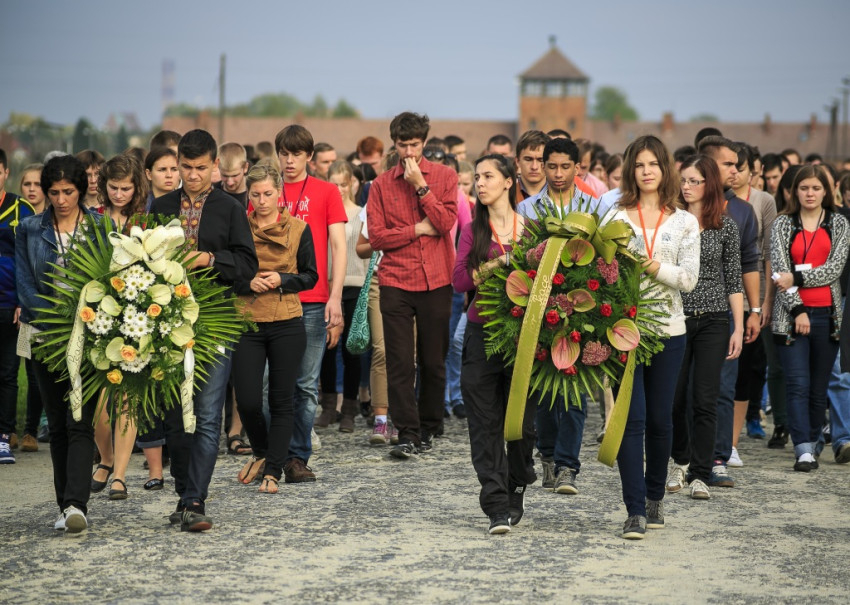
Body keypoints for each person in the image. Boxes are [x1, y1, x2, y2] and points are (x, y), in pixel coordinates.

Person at [151, 129, 258, 531]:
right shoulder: (161, 205)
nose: (192, 175)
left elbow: (247, 264)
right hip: (166, 320)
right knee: (175, 415)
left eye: (200, 168)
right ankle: (184, 493)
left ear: (215, 165)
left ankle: (195, 498)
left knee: (209, 413)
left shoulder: (230, 207)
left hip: (217, 320)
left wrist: (209, 259)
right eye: (186, 167)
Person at [607, 135, 699, 539]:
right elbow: (602, 273)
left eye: (653, 164)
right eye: (639, 164)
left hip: (669, 332)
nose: (646, 171)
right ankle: (634, 510)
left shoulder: (684, 221)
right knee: (631, 420)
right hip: (624, 331)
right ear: (630, 170)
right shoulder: (614, 217)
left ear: (666, 169)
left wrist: (654, 267)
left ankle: (654, 497)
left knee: (661, 420)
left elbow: (689, 279)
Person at [16, 154, 101, 531]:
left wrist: (85, 322)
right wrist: (59, 323)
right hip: (45, 336)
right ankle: (64, 505)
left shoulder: (99, 226)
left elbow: (108, 279)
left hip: (92, 336)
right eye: (54, 192)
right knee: (58, 423)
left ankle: (76, 504)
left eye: (68, 191)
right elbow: (25, 286)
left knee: (79, 420)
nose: (61, 199)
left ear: (80, 190)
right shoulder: (29, 229)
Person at [367, 111, 458, 458]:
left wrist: (421, 186)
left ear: (425, 142)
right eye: (403, 145)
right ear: (394, 144)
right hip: (395, 280)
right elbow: (377, 237)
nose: (408, 152)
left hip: (436, 279)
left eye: (415, 145)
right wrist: (416, 229)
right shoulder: (380, 185)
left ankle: (430, 425)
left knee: (433, 361)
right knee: (400, 361)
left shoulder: (445, 176)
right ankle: (407, 432)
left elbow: (446, 223)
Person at [453, 154, 535, 534]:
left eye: (488, 176)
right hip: (481, 334)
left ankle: (517, 483)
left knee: (523, 426)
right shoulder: (473, 229)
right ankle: (496, 505)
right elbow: (459, 280)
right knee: (484, 424)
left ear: (508, 181)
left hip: (523, 337)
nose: (480, 183)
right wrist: (497, 264)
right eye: (477, 177)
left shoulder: (531, 229)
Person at [516, 137, 603, 495]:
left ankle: (568, 466)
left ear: (578, 168)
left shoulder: (594, 207)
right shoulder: (527, 209)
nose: (557, 173)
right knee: (543, 391)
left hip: (582, 307)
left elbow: (604, 257)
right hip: (540, 307)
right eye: (551, 166)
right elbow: (521, 257)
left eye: (565, 166)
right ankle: (548, 456)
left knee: (574, 390)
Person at [232, 162, 317, 493]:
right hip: (248, 320)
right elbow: (226, 273)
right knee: (248, 400)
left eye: (268, 193)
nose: (262, 201)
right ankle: (262, 453)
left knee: (282, 399)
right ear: (248, 195)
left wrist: (282, 279)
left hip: (286, 321)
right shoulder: (238, 227)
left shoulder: (298, 228)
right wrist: (247, 282)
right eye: (255, 195)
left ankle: (273, 471)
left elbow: (310, 276)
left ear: (279, 192)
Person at [273, 125, 346, 482]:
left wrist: (336, 297)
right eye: (284, 154)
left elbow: (339, 247)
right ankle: (272, 453)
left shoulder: (327, 191)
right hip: (271, 299)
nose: (289, 161)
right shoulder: (267, 190)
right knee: (269, 385)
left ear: (309, 156)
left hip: (314, 300)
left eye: (296, 154)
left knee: (304, 385)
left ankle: (297, 457)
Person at [668, 155, 743, 501]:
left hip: (714, 318)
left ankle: (700, 473)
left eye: (694, 181)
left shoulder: (725, 226)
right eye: (683, 180)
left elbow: (734, 280)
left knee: (705, 398)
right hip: (677, 317)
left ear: (709, 184)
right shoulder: (672, 221)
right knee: (675, 397)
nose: (686, 187)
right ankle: (679, 461)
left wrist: (738, 327)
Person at [771, 164, 849, 472]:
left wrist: (798, 278)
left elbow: (834, 269)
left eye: (816, 188)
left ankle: (814, 440)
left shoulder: (839, 223)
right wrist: (798, 309)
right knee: (797, 385)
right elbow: (780, 272)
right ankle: (802, 448)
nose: (810, 193)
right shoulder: (782, 223)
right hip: (790, 318)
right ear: (795, 191)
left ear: (826, 191)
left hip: (828, 316)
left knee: (818, 389)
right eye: (804, 188)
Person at [89, 153, 149, 499]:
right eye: (113, 187)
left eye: (126, 188)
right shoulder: (93, 219)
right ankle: (106, 458)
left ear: (136, 187)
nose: (119, 194)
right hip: (98, 315)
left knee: (128, 398)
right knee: (99, 404)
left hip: (137, 316)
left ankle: (120, 476)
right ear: (104, 185)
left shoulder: (145, 221)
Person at [316, 160, 369, 432]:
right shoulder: (322, 212)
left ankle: (349, 408)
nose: (338, 189)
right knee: (327, 347)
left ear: (352, 184)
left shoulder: (360, 214)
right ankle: (328, 407)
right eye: (333, 183)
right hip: (328, 284)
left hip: (355, 284)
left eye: (343, 184)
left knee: (352, 349)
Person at [0, 149, 36, 462]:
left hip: (11, 305)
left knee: (10, 372)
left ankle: (6, 434)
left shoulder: (21, 209)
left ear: (5, 172)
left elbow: (28, 259)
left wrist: (23, 301)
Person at [16, 164, 46, 453]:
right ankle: (15, 429)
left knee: (39, 374)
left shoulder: (53, 221)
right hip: (22, 305)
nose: (32, 189)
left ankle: (32, 430)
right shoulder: (20, 219)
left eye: (38, 184)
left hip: (46, 309)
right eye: (27, 184)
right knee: (19, 368)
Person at [514, 130, 550, 202]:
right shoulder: (506, 196)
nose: (534, 167)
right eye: (528, 159)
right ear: (517, 161)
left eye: (540, 160)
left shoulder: (564, 196)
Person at [144, 147, 180, 211]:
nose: (169, 175)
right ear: (149, 174)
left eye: (174, 169)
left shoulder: (187, 205)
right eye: (162, 170)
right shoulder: (138, 208)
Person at [216, 142, 250, 207]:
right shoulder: (210, 194)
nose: (230, 182)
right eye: (225, 175)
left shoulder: (258, 194)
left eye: (235, 175)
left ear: (245, 167)